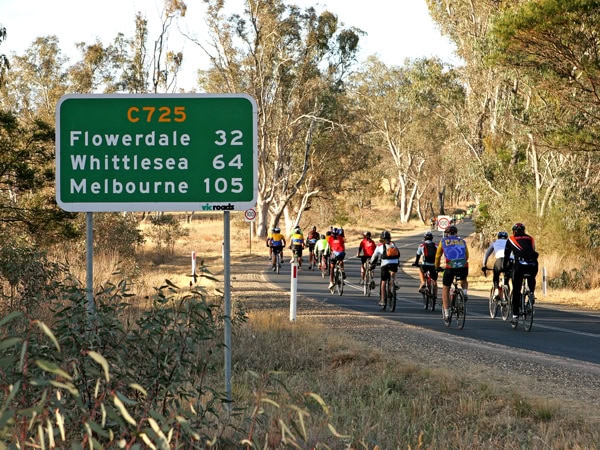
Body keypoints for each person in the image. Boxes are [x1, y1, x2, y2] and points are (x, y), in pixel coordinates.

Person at [503, 223, 538, 324]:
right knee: (531, 277)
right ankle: (531, 293)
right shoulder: (531, 239)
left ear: (513, 231)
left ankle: (515, 316)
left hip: (520, 265)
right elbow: (532, 250)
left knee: (516, 290)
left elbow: (506, 256)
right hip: (533, 264)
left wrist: (505, 268)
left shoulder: (511, 239)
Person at [434, 225, 469, 325]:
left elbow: (438, 255)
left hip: (450, 267)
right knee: (463, 279)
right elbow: (466, 255)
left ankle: (447, 313)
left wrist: (437, 266)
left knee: (446, 288)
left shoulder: (443, 241)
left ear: (447, 233)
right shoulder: (462, 241)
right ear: (456, 233)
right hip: (463, 265)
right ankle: (465, 293)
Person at [370, 230, 400, 306]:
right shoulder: (393, 244)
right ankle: (393, 283)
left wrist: (372, 264)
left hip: (385, 264)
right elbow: (398, 254)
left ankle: (382, 299)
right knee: (392, 273)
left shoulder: (379, 246)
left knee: (383, 281)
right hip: (395, 263)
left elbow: (374, 256)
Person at [412, 231, 438, 302]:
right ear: (432, 238)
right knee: (434, 281)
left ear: (424, 238)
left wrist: (416, 263)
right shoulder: (436, 245)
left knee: (421, 270)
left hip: (425, 264)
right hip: (434, 265)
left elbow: (418, 256)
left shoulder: (421, 246)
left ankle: (423, 282)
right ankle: (435, 295)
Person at [482, 231, 509, 298]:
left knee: (496, 275)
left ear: (498, 237)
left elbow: (486, 255)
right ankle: (508, 297)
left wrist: (484, 265)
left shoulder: (494, 243)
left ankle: (496, 289)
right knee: (507, 279)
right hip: (509, 261)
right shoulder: (510, 242)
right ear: (506, 237)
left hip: (499, 261)